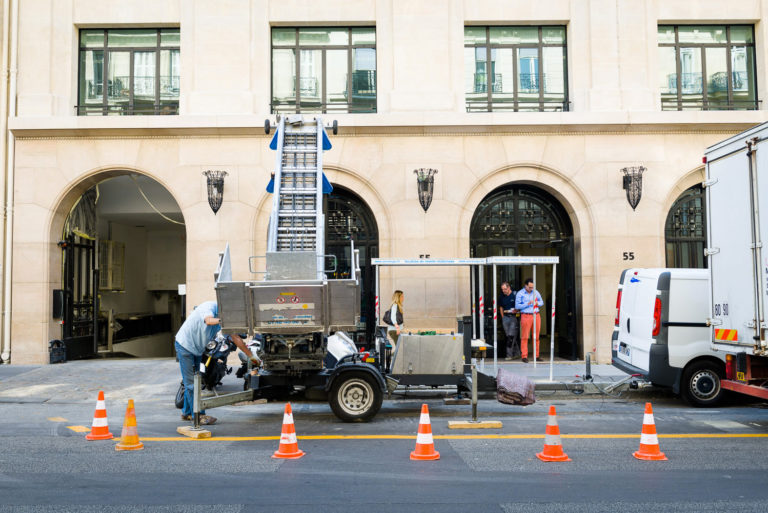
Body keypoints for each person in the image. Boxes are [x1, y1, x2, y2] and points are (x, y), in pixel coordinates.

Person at [175, 301, 260, 424]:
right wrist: (224, 321)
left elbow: (236, 339)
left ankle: (187, 413)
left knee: (195, 380)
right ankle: (198, 416)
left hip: (198, 350)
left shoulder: (224, 318)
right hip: (185, 346)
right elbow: (208, 320)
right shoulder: (208, 307)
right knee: (192, 384)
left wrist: (252, 357)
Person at [515, 278, 544, 363]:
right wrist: (527, 304)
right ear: (525, 286)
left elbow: (542, 302)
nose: (531, 289)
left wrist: (536, 303)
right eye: (530, 287)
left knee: (537, 337)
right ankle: (524, 356)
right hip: (526, 316)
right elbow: (517, 306)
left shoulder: (535, 292)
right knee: (525, 337)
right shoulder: (520, 293)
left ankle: (536, 356)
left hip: (536, 315)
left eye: (532, 287)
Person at [498, 281, 520, 360]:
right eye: (502, 289)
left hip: (513, 317)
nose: (504, 291)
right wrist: (503, 317)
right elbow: (500, 307)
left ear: (509, 287)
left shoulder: (515, 295)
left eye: (505, 289)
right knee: (509, 336)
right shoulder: (501, 297)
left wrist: (517, 310)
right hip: (505, 318)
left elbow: (519, 305)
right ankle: (517, 353)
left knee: (510, 337)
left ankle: (509, 355)